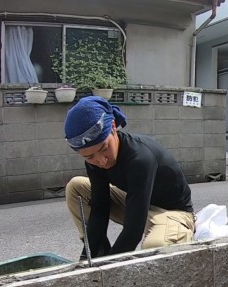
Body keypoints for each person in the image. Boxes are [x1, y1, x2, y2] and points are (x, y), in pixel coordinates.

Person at [64, 96, 195, 258]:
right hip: (137, 206)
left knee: (155, 246)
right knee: (76, 188)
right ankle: (99, 253)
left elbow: (133, 231)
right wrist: (88, 256)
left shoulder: (140, 158)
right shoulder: (95, 163)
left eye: (104, 148)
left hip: (173, 214)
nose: (101, 160)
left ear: (112, 127)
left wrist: (109, 269)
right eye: (89, 157)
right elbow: (99, 208)